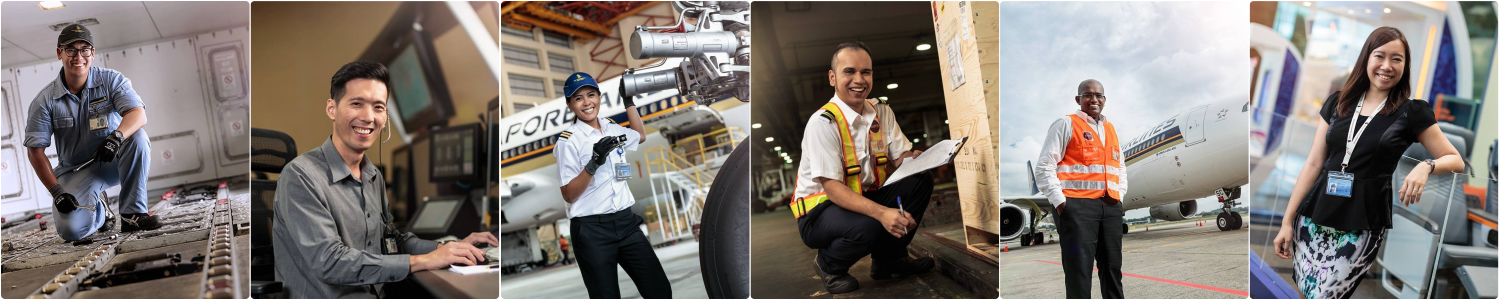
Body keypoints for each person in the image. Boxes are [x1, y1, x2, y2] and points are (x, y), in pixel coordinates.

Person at [271, 61, 499, 298]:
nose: (369, 117)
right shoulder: (300, 176)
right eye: (356, 103)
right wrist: (422, 260)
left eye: (378, 107)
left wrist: (447, 248)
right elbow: (329, 262)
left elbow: (391, 240)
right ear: (332, 108)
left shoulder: (373, 175)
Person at [1271, 26, 1462, 299]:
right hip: (1315, 215)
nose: (1387, 66)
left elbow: (1456, 160)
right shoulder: (1338, 103)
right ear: (1366, 59)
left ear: (1405, 66)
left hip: (1361, 225)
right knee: (1307, 291)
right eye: (1380, 56)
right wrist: (1287, 221)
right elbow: (1313, 165)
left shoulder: (1412, 112)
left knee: (1327, 294)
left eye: (1397, 59)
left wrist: (1426, 166)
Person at [790, 41, 934, 295]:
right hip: (820, 211)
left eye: (866, 72)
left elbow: (899, 158)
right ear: (833, 78)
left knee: (919, 180)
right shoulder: (823, 123)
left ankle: (889, 261)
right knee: (870, 225)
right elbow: (833, 189)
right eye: (849, 71)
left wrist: (917, 160)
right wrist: (882, 213)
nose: (859, 79)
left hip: (861, 196)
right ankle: (829, 265)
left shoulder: (881, 111)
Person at [25, 23, 162, 241]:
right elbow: (35, 151)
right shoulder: (44, 101)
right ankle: (102, 211)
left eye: (84, 49)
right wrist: (57, 192)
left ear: (93, 53)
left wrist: (116, 137)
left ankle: (131, 214)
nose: (78, 56)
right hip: (77, 171)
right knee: (71, 231)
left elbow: (138, 114)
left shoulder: (111, 80)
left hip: (113, 159)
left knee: (137, 137)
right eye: (71, 49)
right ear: (60, 53)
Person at [554, 72, 671, 299]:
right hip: (592, 231)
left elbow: (640, 136)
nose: (587, 102)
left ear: (599, 97)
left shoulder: (610, 127)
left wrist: (629, 102)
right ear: (569, 105)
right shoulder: (568, 142)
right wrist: (593, 164)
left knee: (659, 290)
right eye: (578, 98)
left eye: (591, 95)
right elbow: (568, 194)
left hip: (626, 223)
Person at [1034, 79, 1127, 299]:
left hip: (1111, 206)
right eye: (1088, 95)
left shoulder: (1110, 129)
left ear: (1104, 100)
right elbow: (1045, 166)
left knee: (1113, 270)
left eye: (1099, 95)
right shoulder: (1066, 124)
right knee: (1079, 274)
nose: (1094, 99)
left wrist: (1119, 195)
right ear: (1079, 99)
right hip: (1077, 207)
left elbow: (1119, 167)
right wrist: (1061, 203)